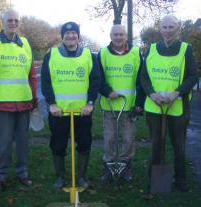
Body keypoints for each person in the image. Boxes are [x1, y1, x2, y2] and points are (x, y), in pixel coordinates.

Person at [0, 9, 37, 190]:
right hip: (2, 103)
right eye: (10, 20)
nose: (13, 23)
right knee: (3, 144)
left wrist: (34, 98)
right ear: (2, 22)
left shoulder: (26, 44)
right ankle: (2, 176)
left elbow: (32, 75)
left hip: (23, 102)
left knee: (22, 142)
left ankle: (23, 173)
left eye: (16, 21)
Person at [141, 15, 198, 192]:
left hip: (178, 107)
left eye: (171, 27)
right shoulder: (151, 49)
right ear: (160, 29)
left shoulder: (185, 50)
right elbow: (143, 76)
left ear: (178, 28)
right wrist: (152, 94)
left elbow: (192, 76)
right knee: (157, 144)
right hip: (154, 107)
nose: (167, 31)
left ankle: (180, 179)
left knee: (178, 145)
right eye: (164, 27)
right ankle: (156, 180)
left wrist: (177, 92)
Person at [41, 21, 100, 189]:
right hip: (60, 112)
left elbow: (95, 81)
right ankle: (60, 177)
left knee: (84, 143)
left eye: (74, 33)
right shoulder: (51, 55)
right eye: (67, 34)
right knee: (58, 145)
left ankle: (81, 177)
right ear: (62, 37)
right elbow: (45, 82)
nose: (70, 35)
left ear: (78, 36)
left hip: (83, 112)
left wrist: (90, 104)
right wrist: (51, 104)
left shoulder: (88, 55)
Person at [98, 25, 144, 182]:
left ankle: (125, 168)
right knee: (109, 139)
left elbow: (141, 80)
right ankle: (109, 168)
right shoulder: (103, 53)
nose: (118, 37)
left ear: (126, 36)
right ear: (110, 36)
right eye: (115, 34)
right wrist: (107, 91)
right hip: (109, 105)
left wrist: (139, 104)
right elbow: (98, 78)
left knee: (128, 139)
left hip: (129, 106)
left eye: (121, 34)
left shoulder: (136, 53)